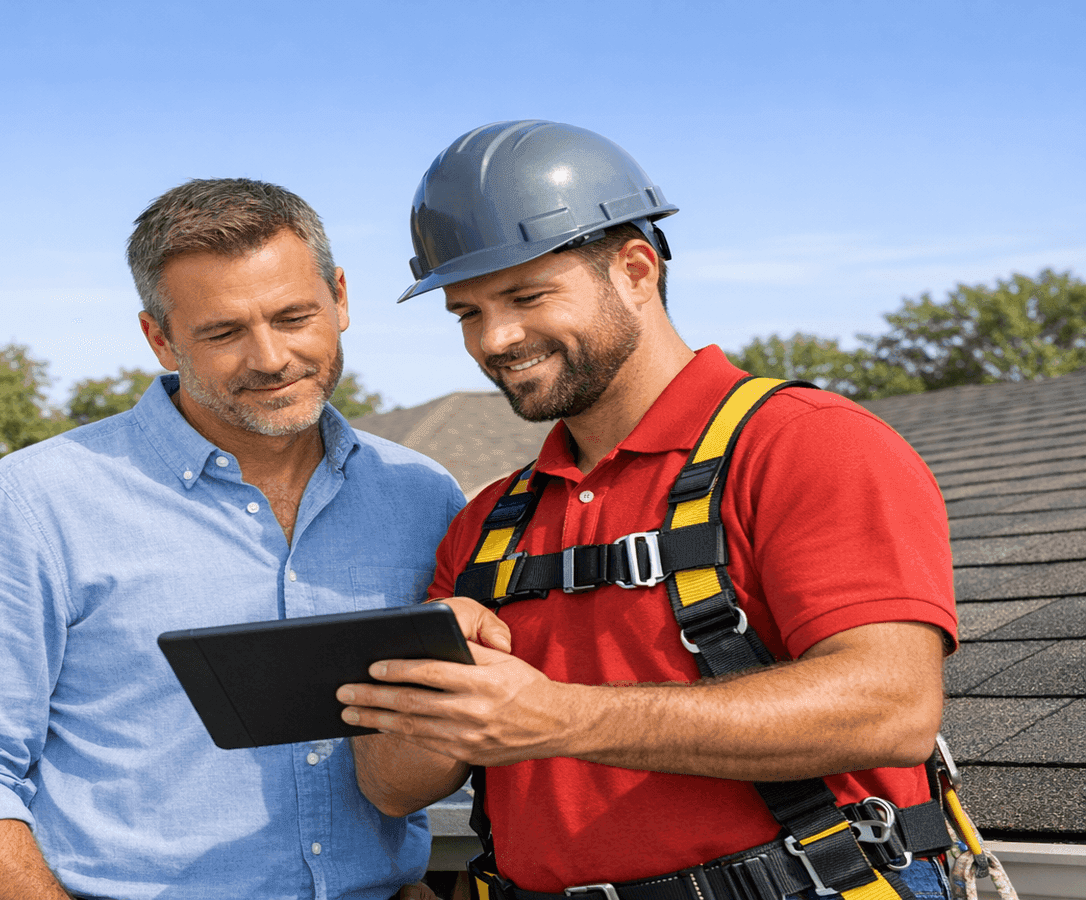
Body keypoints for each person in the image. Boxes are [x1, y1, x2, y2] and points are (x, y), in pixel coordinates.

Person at [338, 121, 958, 900]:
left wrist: (559, 716)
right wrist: (435, 684)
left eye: (527, 296)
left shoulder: (806, 445)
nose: (495, 338)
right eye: (467, 312)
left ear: (636, 270)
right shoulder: (490, 521)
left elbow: (889, 709)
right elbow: (392, 789)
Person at [0, 178, 466, 900]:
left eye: (293, 316)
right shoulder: (32, 504)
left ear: (340, 298)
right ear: (160, 338)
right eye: (223, 332)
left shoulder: (423, 495)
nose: (271, 357)